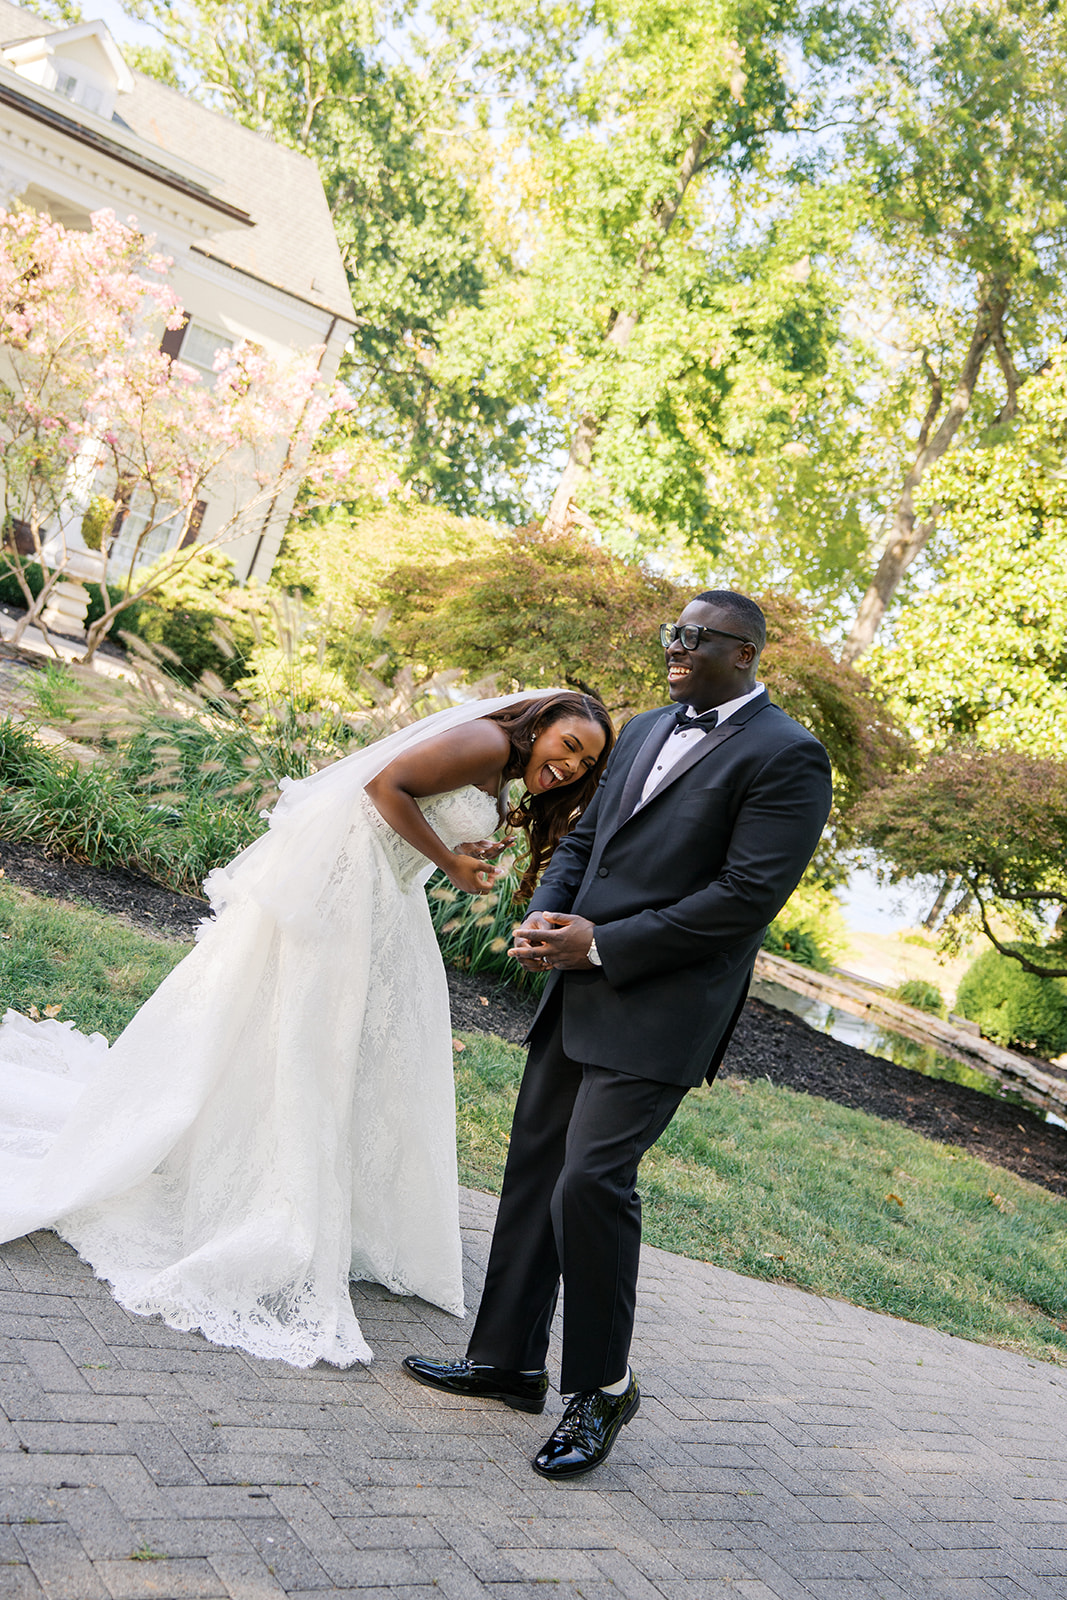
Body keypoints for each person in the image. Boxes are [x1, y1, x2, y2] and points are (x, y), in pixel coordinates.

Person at [0, 689, 612, 1368]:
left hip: (382, 897)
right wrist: (447, 861)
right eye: (568, 746)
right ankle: (277, 1194)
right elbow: (385, 784)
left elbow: (414, 803)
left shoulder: (500, 762)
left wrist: (452, 843)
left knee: (322, 1042)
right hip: (346, 895)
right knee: (312, 1038)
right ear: (539, 726)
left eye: (586, 762)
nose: (572, 766)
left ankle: (303, 1183)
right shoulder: (490, 742)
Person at [403, 590, 833, 1478]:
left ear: (744, 652)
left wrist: (605, 943)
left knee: (590, 1186)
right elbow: (584, 839)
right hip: (575, 986)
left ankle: (601, 1389)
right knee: (534, 1172)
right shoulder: (640, 728)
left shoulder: (789, 755)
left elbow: (746, 898)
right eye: (671, 633)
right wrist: (549, 915)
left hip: (661, 1005)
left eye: (693, 638)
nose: (673, 647)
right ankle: (506, 1362)